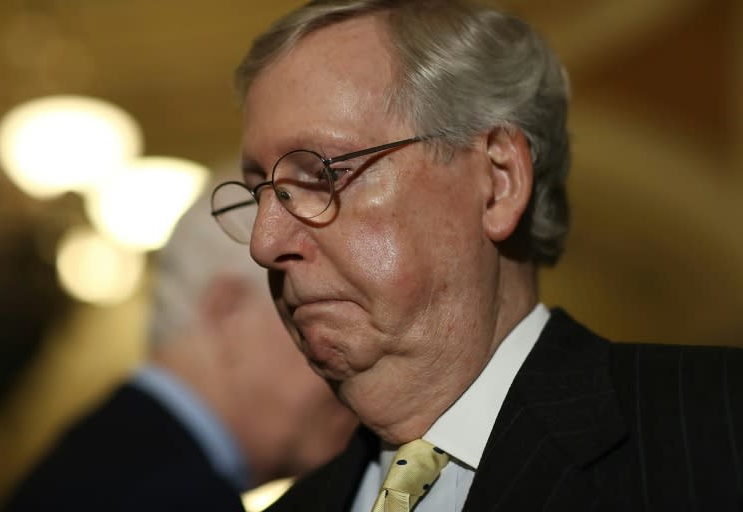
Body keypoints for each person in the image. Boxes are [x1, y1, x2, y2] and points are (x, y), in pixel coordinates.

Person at [209, 1, 743, 510]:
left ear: (498, 182)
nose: (265, 243)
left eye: (322, 175)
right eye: (263, 193)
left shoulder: (714, 428)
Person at [0, 189, 357, 511]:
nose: (354, 358)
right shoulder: (174, 496)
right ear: (228, 312)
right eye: (318, 313)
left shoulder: (101, 461)